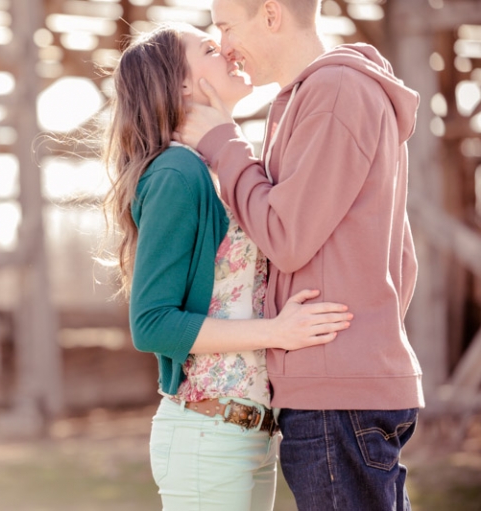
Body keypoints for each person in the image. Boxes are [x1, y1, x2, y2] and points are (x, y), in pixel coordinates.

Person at [174, 1, 424, 510]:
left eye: (225, 27)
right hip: (343, 385)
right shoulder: (314, 97)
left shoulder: (334, 93)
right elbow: (402, 258)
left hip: (337, 396)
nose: (222, 45)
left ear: (270, 14)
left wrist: (224, 144)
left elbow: (285, 235)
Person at [101, 23, 353, 511]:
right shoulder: (179, 172)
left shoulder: (220, 164)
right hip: (207, 435)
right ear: (183, 85)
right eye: (212, 50)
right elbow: (152, 323)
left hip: (250, 436)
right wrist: (277, 331)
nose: (231, 51)